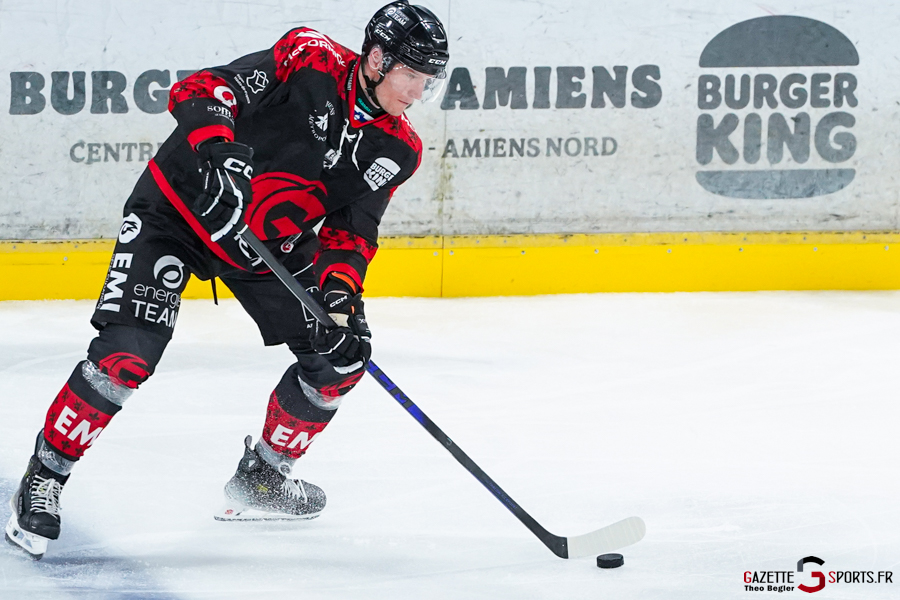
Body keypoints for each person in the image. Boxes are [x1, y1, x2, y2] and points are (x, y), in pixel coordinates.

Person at [5, 1, 448, 560]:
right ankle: (45, 474)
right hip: (179, 212)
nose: (415, 93)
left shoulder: (398, 149)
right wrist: (220, 156)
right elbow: (204, 89)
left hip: (265, 244)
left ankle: (263, 476)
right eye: (410, 75)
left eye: (427, 83)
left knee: (341, 358)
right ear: (378, 59)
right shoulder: (308, 58)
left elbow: (352, 232)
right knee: (127, 355)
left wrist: (339, 297)